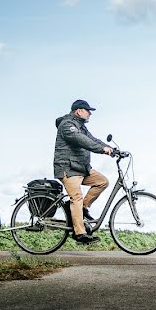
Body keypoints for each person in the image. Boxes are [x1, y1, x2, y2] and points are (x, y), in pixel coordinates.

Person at [53, 99, 112, 244]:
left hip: (81, 168)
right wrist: (101, 150)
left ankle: (83, 209)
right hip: (68, 168)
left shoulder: (81, 127)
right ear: (79, 111)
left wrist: (111, 149)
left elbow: (92, 139)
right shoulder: (67, 125)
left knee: (102, 182)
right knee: (76, 198)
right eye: (88, 111)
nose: (90, 114)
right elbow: (82, 141)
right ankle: (79, 234)